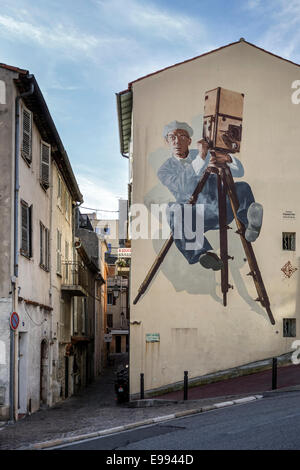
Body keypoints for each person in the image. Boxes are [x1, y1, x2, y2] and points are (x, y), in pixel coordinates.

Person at [157, 120, 263, 270]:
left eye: (182, 136)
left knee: (242, 187)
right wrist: (201, 157)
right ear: (167, 141)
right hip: (198, 217)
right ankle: (203, 254)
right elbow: (184, 186)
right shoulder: (165, 170)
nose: (177, 141)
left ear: (189, 141)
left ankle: (250, 226)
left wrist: (228, 159)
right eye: (172, 137)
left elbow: (240, 171)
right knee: (173, 209)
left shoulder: (204, 153)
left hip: (222, 206)